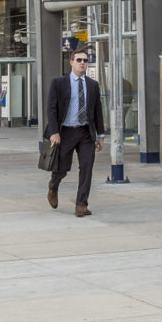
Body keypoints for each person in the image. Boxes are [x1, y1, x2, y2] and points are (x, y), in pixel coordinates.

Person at [44, 50, 106, 217]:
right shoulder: (59, 82)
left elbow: (97, 111)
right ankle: (53, 185)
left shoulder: (93, 85)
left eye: (85, 60)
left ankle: (81, 204)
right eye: (78, 60)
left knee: (87, 167)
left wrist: (100, 135)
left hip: (86, 132)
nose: (82, 63)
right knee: (62, 168)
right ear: (71, 62)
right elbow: (51, 109)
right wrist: (54, 132)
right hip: (65, 132)